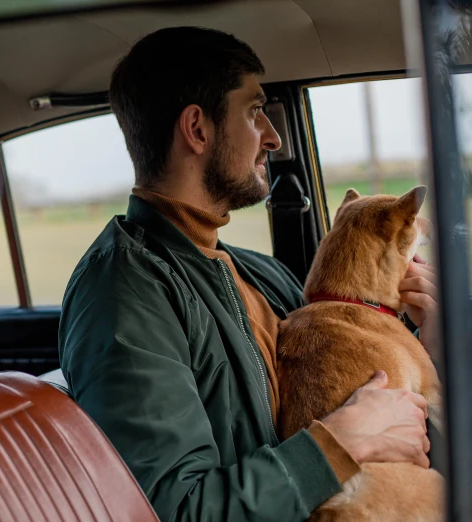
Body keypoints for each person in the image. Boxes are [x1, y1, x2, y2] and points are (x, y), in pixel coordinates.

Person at [58, 27, 439, 521]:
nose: (273, 137)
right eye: (254, 111)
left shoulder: (259, 273)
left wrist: (420, 340)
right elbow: (176, 510)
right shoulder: (124, 294)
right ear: (197, 129)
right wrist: (342, 442)